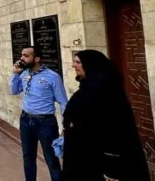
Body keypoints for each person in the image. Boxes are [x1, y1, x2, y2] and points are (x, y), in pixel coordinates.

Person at [62, 50, 150, 181]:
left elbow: (104, 125)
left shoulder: (101, 90)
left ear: (91, 65)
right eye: (74, 62)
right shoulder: (89, 87)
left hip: (101, 158)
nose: (74, 66)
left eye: (78, 62)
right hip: (86, 154)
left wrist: (74, 125)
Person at [10, 46, 68, 181]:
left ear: (36, 59)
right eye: (22, 55)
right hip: (25, 119)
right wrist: (15, 74)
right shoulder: (24, 74)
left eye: (26, 56)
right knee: (28, 156)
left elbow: (63, 102)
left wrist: (65, 126)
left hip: (45, 123)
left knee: (51, 159)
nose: (22, 59)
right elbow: (14, 91)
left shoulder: (52, 77)